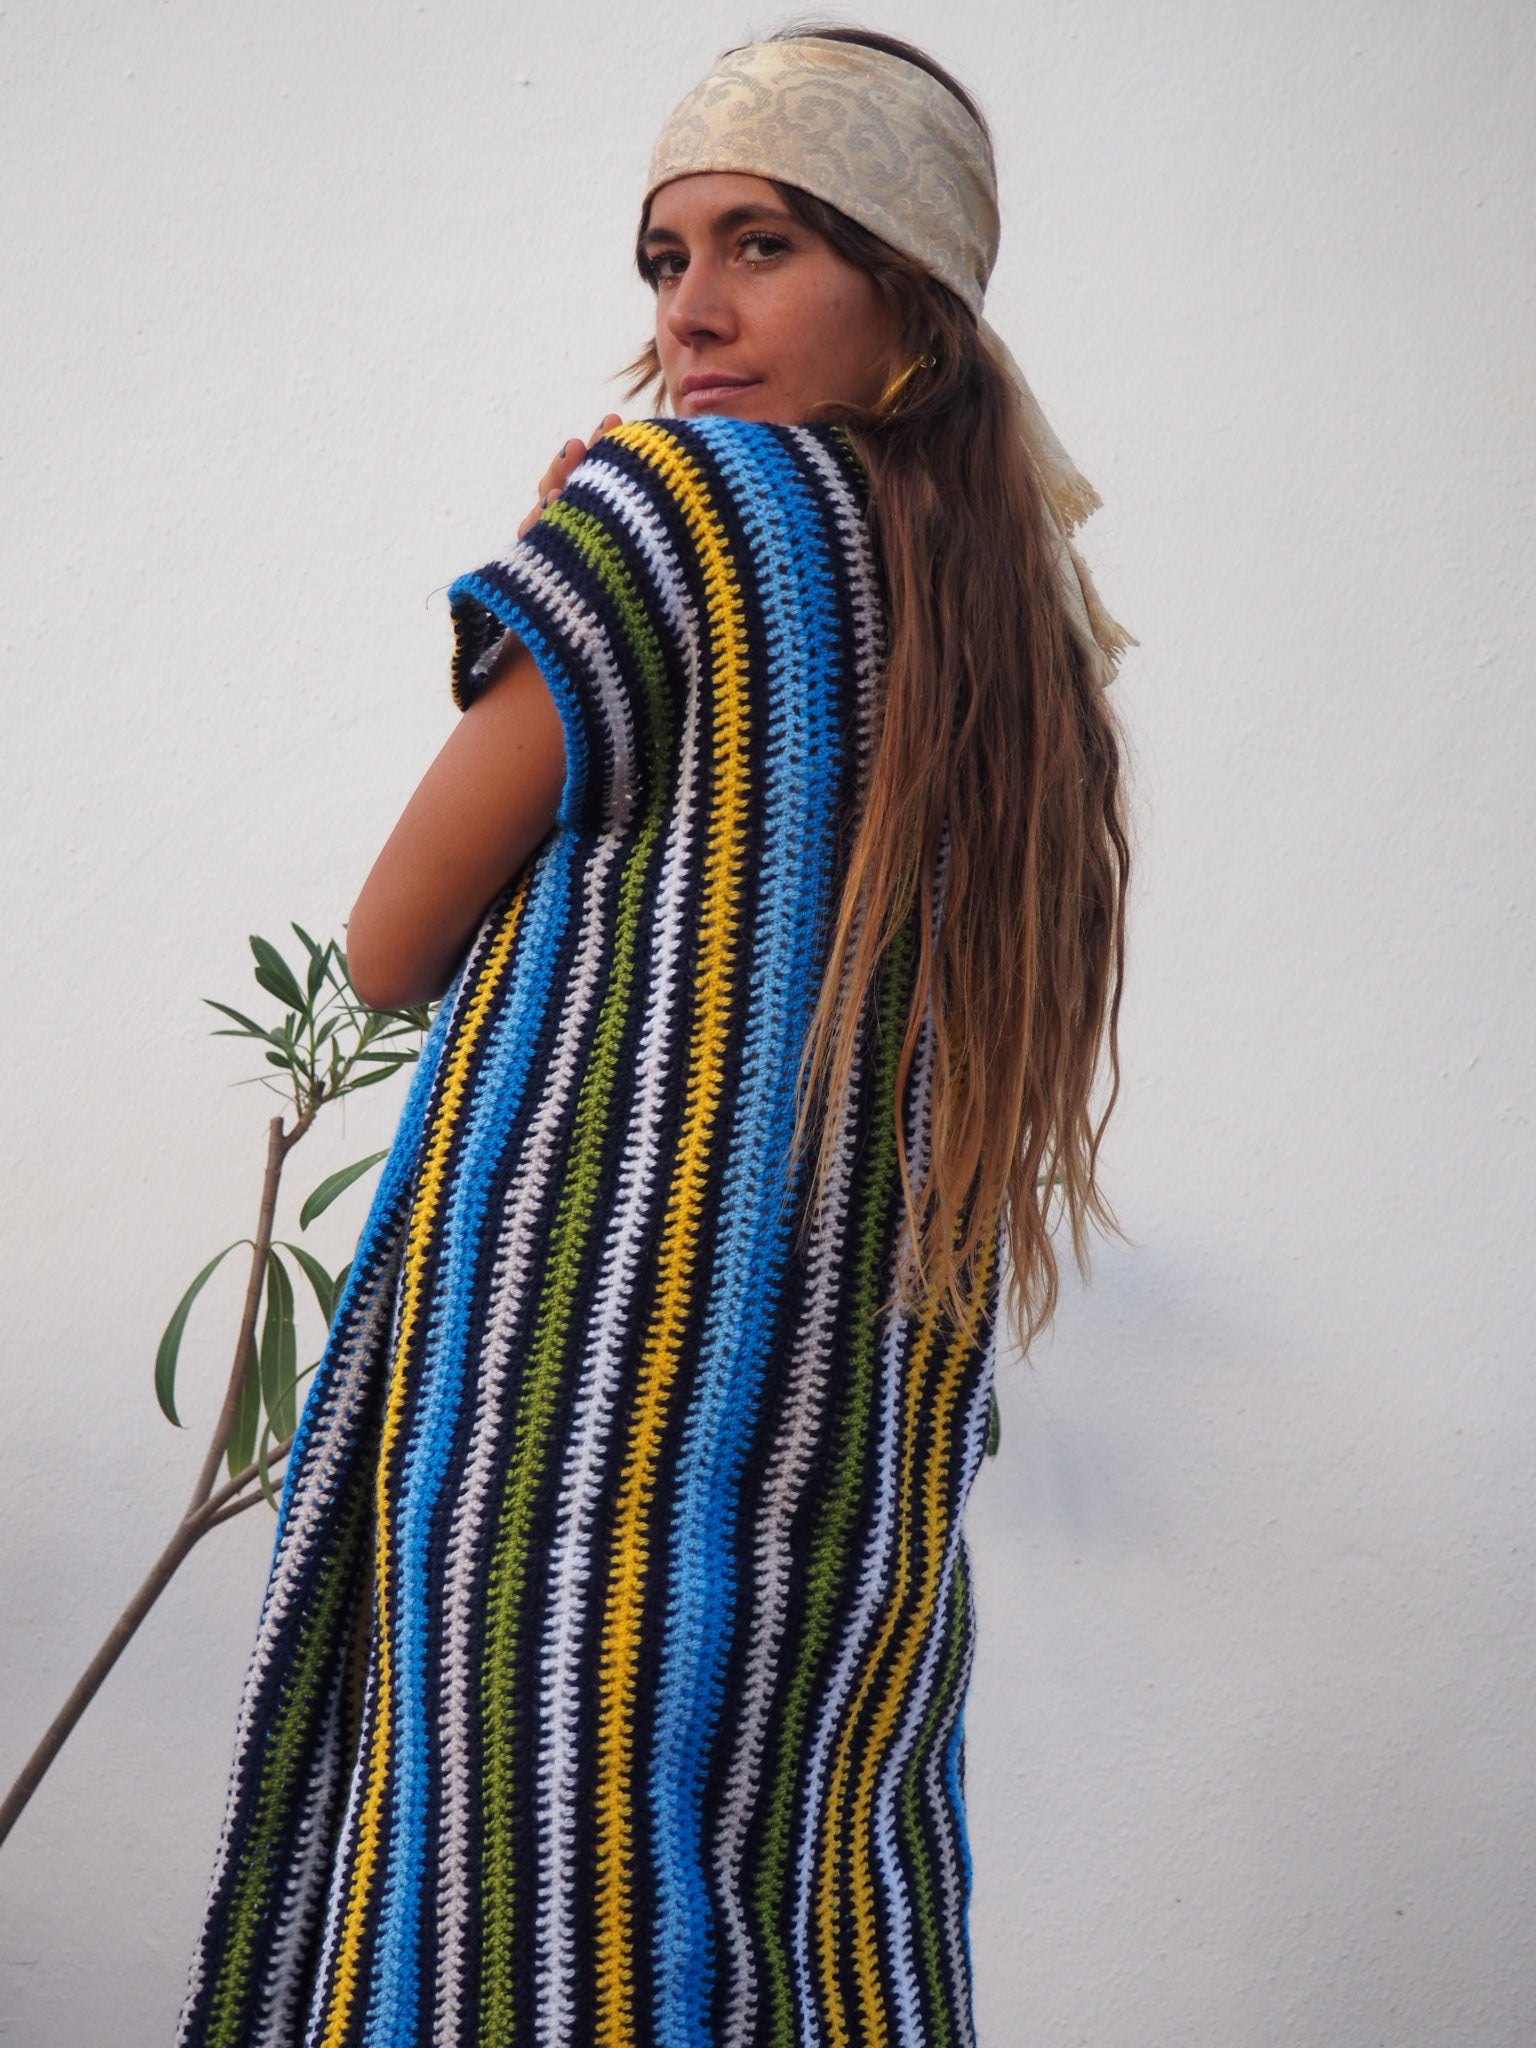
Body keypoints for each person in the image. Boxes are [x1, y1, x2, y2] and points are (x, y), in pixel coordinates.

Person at [175, 24, 1131, 2048]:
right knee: (801, 1938)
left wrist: (585, 579)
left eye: (762, 244)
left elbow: (390, 941)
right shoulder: (1017, 622)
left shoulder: (686, 510)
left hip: (570, 1419)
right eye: (662, 258)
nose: (691, 312)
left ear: (911, 293)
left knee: (520, 1942)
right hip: (840, 1457)